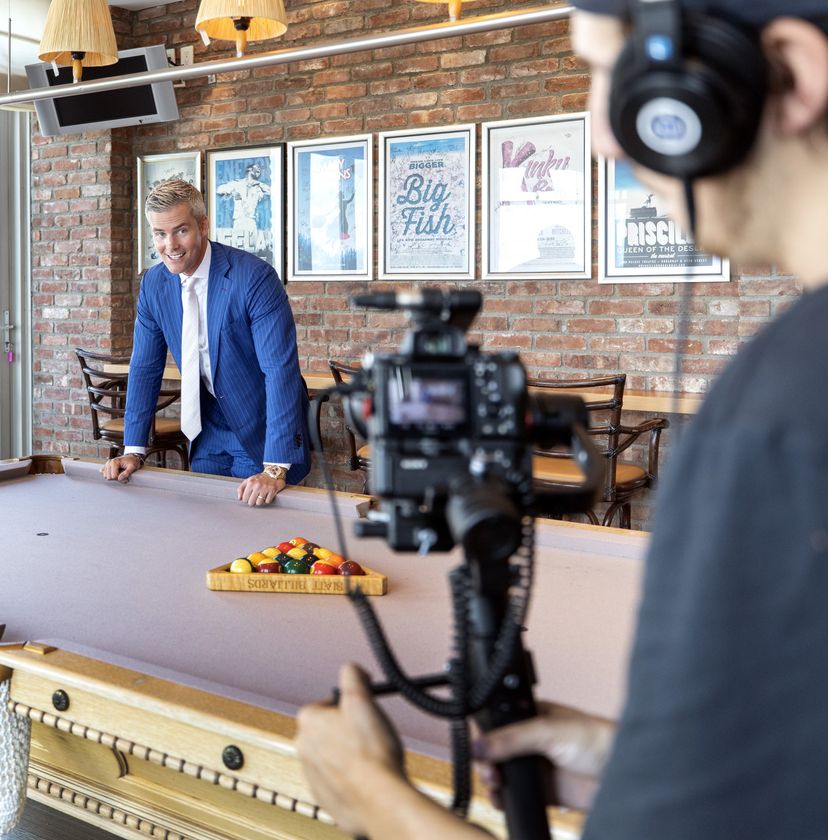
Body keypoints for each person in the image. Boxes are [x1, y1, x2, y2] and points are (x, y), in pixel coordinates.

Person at [296, 1, 828, 838]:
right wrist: (646, 755)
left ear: (790, 75)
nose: (601, 137)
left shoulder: (781, 413)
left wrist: (372, 799)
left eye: (611, 78)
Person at [101, 179, 310, 506]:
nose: (170, 245)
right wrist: (134, 450)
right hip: (205, 431)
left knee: (255, 541)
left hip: (261, 430)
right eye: (159, 234)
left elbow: (280, 372)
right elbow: (144, 368)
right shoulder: (154, 284)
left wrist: (275, 467)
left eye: (180, 230)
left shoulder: (254, 278)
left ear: (203, 225)